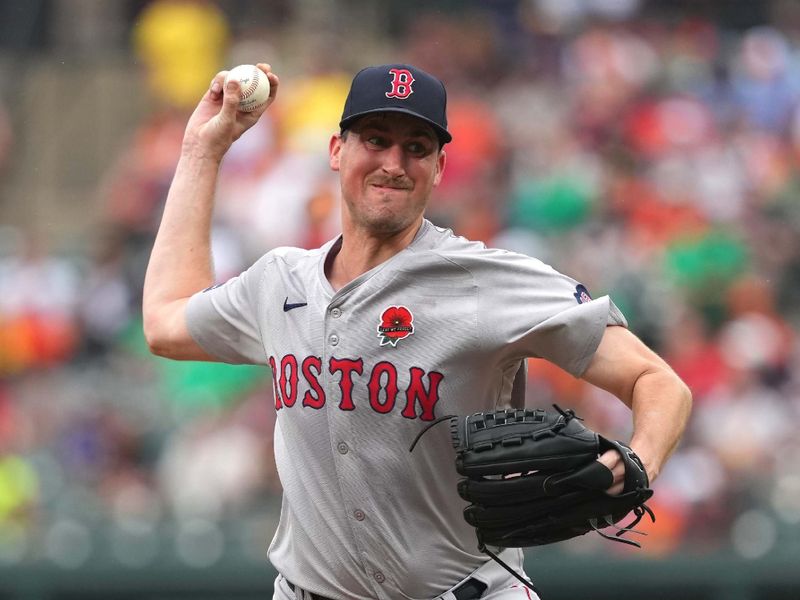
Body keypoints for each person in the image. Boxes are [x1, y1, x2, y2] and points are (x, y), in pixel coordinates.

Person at [143, 63, 692, 600]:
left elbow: (659, 382)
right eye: (376, 139)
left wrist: (638, 461)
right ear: (337, 151)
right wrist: (203, 150)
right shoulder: (279, 281)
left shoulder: (483, 280)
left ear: (440, 167)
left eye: (416, 148)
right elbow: (166, 321)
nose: (393, 163)